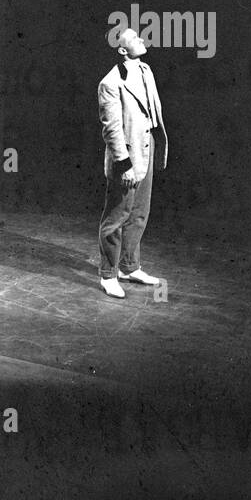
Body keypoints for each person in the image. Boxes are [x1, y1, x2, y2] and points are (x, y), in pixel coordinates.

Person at [96, 27, 168, 298]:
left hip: (145, 149)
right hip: (127, 157)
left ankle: (129, 266)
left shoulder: (146, 70)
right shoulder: (110, 82)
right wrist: (124, 164)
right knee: (117, 216)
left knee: (139, 212)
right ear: (122, 50)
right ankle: (108, 274)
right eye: (135, 38)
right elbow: (111, 129)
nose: (142, 39)